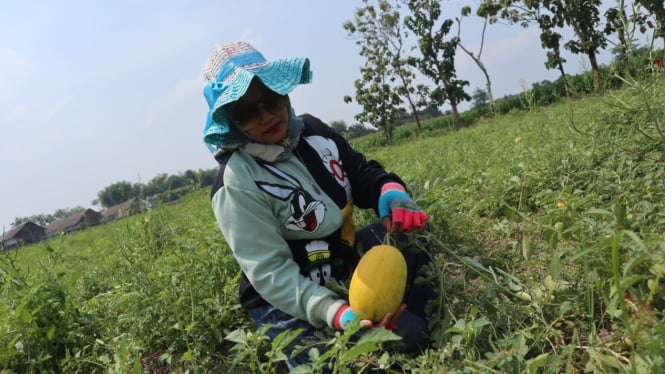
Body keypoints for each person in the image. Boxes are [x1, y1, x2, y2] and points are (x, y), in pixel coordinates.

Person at [202, 41, 438, 371]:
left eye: (270, 99)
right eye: (246, 111)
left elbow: (358, 170)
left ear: (282, 92)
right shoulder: (236, 182)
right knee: (359, 364)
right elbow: (271, 273)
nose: (266, 115)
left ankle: (405, 322)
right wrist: (335, 311)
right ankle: (295, 353)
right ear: (232, 120)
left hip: (343, 261)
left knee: (414, 238)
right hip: (291, 297)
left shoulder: (313, 131)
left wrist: (389, 191)